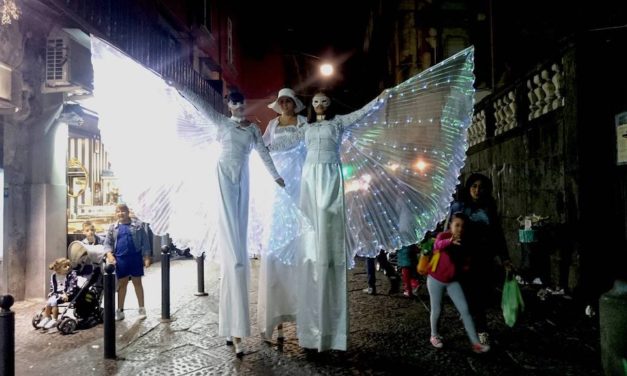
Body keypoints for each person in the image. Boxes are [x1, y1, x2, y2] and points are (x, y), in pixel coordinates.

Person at [218, 91, 285, 357]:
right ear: (228, 104)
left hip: (243, 179)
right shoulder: (220, 123)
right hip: (223, 177)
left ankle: (229, 327)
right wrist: (177, 86)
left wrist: (276, 176)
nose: (239, 107)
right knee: (234, 261)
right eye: (235, 103)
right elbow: (198, 106)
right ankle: (233, 330)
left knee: (236, 261)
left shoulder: (253, 130)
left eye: (242, 103)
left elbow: (264, 155)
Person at [258, 88, 307, 343]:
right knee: (275, 247)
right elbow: (263, 148)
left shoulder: (304, 124)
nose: (285, 104)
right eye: (282, 101)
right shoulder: (272, 125)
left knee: (300, 246)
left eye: (289, 101)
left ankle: (303, 317)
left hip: (298, 187)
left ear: (294, 104)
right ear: (279, 104)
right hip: (278, 188)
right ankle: (273, 318)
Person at [449, 173, 512, 345]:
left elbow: (497, 233)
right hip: (464, 257)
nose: (477, 190)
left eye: (480, 187)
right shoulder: (460, 207)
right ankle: (478, 323)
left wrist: (504, 257)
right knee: (469, 292)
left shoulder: (489, 206)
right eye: (474, 186)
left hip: (485, 256)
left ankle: (480, 325)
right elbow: (450, 229)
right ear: (468, 188)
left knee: (482, 293)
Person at [427, 212, 490, 353]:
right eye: (457, 225)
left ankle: (475, 343)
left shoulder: (465, 243)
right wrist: (450, 241)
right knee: (437, 309)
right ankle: (434, 335)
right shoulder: (443, 236)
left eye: (462, 226)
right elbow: (437, 246)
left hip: (452, 281)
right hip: (435, 280)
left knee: (465, 310)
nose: (460, 229)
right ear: (450, 225)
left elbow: (466, 265)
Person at [104, 203, 152, 321]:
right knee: (122, 284)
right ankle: (120, 310)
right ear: (116, 213)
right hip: (121, 259)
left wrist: (146, 257)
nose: (120, 213)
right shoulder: (112, 227)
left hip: (135, 258)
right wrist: (109, 255)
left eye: (123, 211)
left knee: (137, 283)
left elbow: (145, 242)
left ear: (127, 212)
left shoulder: (138, 225)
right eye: (118, 211)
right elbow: (107, 243)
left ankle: (141, 308)